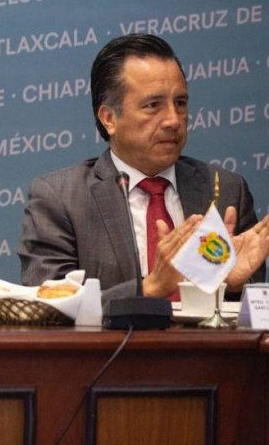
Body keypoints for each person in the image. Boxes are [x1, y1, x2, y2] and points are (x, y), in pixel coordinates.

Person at [19, 33, 269, 301]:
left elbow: (252, 309)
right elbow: (49, 306)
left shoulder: (226, 190)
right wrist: (150, 288)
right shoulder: (61, 199)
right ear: (109, 118)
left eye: (180, 103)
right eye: (153, 105)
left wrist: (232, 286)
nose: (173, 120)